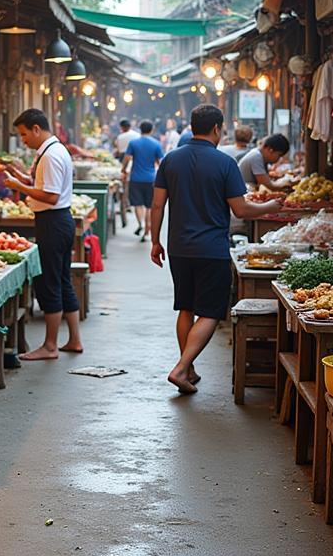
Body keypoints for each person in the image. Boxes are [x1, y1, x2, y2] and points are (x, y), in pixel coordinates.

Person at [148, 104, 282, 394]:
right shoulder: (224, 164)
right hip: (211, 249)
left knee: (185, 307)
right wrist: (271, 206)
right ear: (217, 129)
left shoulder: (171, 160)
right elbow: (241, 209)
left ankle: (188, 366)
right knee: (209, 311)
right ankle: (182, 368)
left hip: (179, 248)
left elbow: (157, 204)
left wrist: (155, 240)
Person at [0, 109, 82, 359]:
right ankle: (74, 340)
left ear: (37, 129)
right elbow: (43, 186)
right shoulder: (51, 152)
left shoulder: (51, 156)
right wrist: (20, 176)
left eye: (24, 134)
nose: (23, 139)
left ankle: (50, 345)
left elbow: (50, 196)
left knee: (49, 282)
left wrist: (19, 186)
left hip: (53, 222)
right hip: (59, 221)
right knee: (63, 279)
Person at [120, 120, 163, 240]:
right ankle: (147, 228)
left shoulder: (134, 143)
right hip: (151, 179)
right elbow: (161, 162)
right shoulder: (156, 144)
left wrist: (123, 169)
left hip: (136, 178)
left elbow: (127, 158)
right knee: (149, 205)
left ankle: (141, 224)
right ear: (152, 130)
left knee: (138, 204)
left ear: (140, 129)